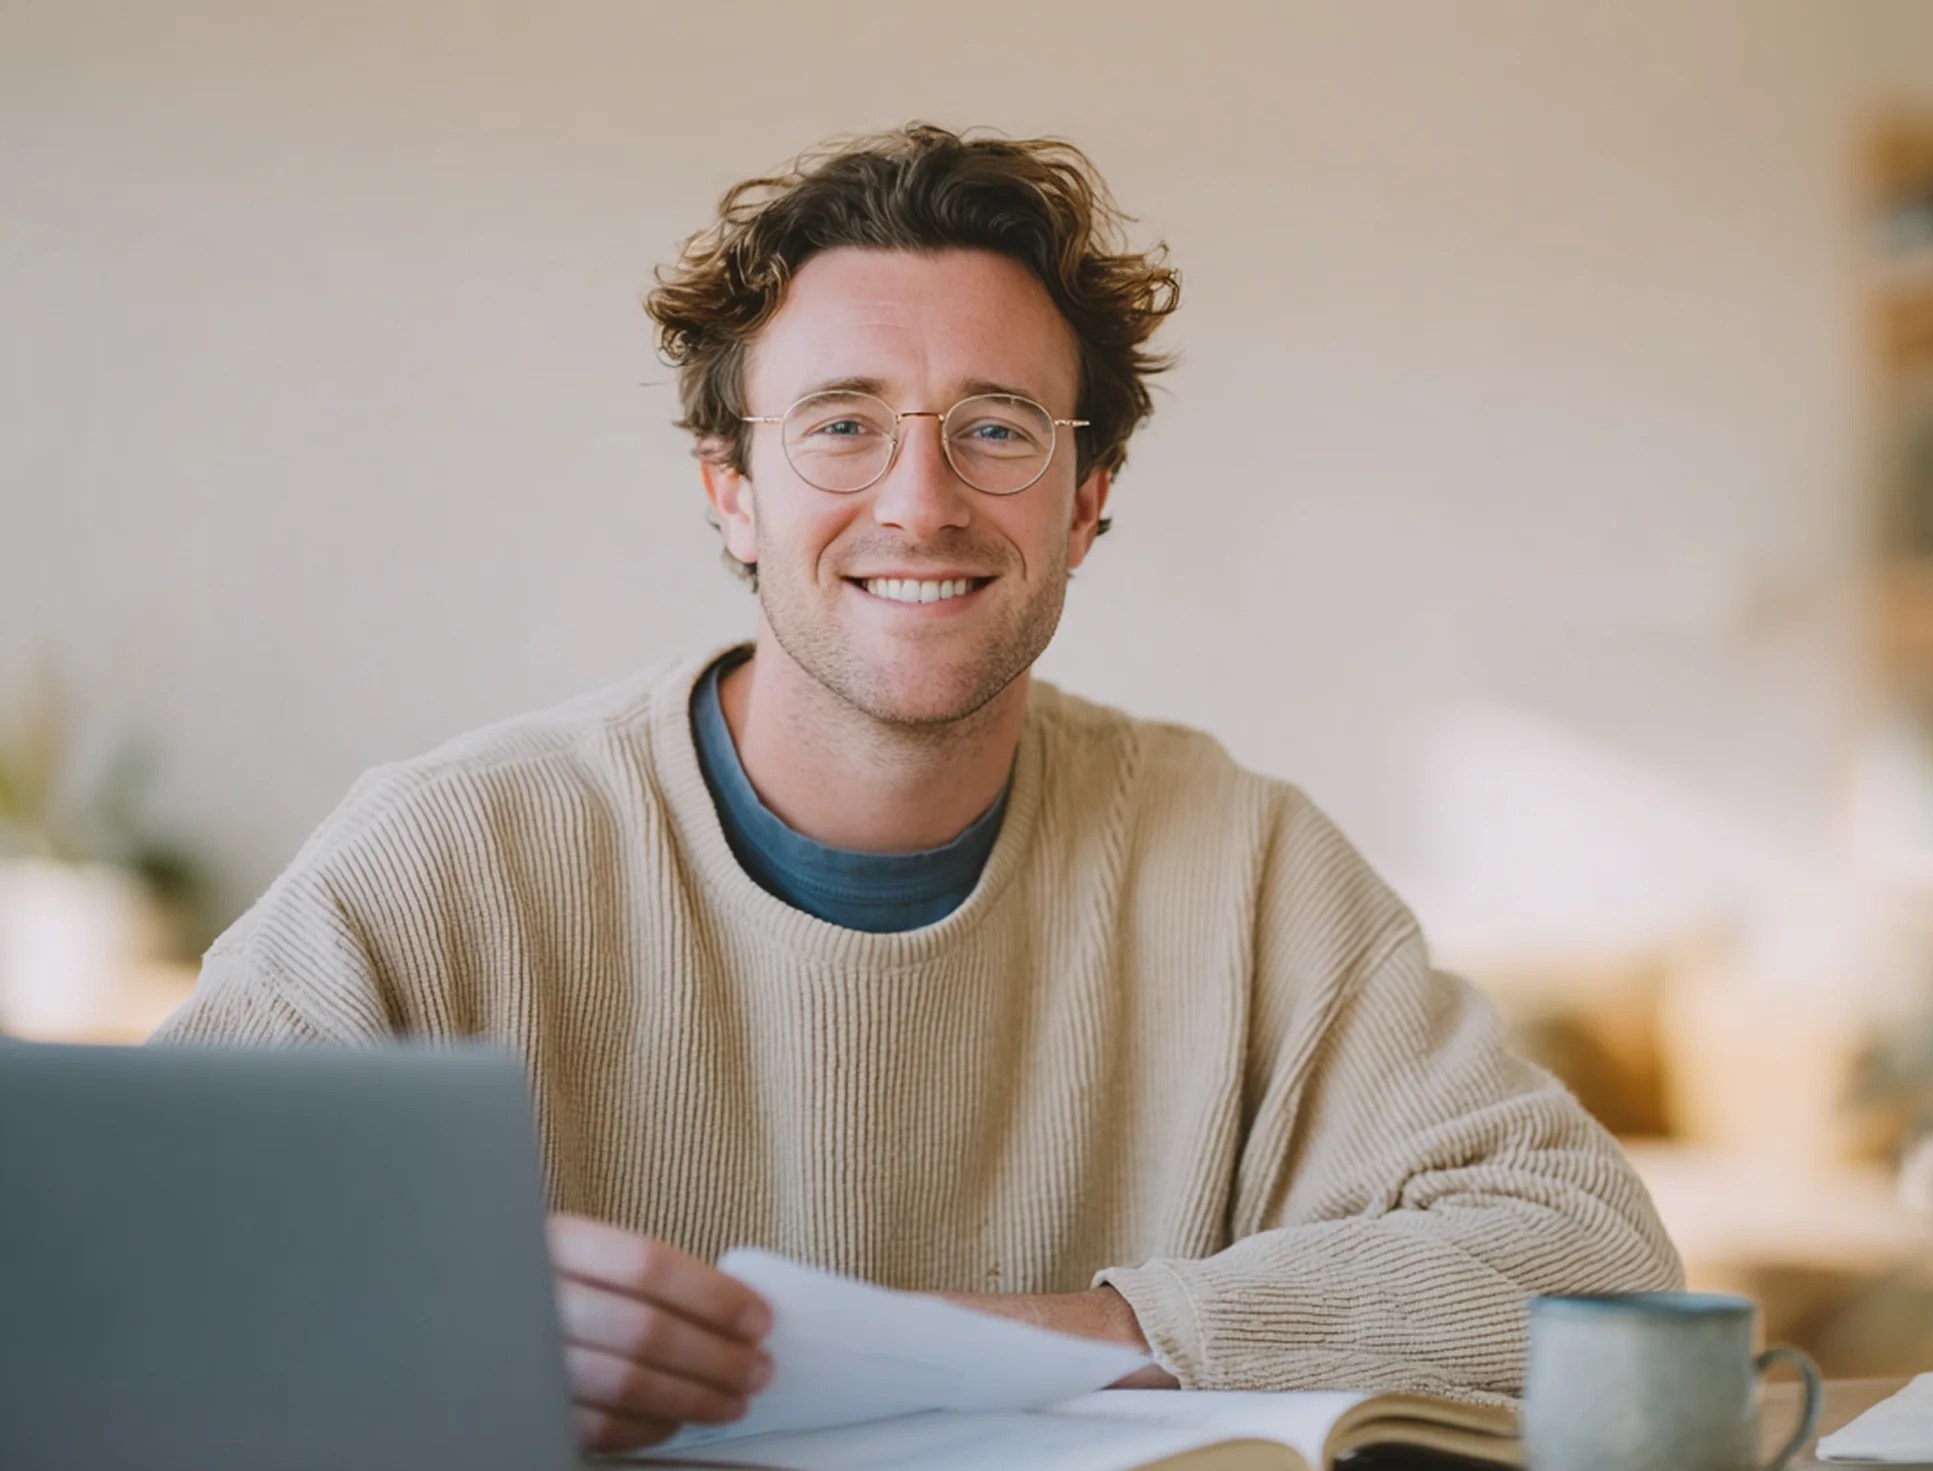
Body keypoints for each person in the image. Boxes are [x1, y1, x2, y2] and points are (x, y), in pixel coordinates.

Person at [155, 123, 1683, 1453]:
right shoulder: (451, 851)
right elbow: (113, 1251)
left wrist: (1036, 1344)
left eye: (996, 431)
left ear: (1087, 502)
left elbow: (1586, 1254)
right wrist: (441, 1328)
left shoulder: (1242, 859)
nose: (920, 500)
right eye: (842, 426)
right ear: (731, 492)